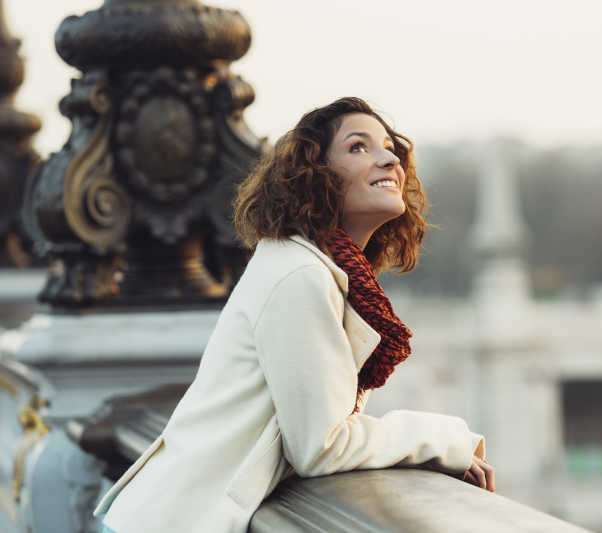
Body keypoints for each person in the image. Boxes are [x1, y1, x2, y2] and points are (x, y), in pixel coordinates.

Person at [94, 97, 494, 533]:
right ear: (315, 175)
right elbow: (321, 446)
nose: (388, 158)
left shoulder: (308, 266)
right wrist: (444, 439)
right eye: (359, 147)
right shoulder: (300, 275)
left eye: (389, 148)